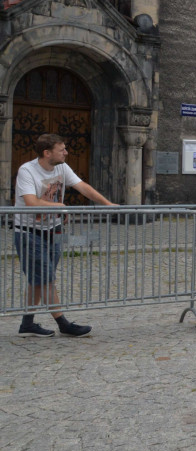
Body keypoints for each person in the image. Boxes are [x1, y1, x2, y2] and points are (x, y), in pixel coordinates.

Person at [14, 133, 116, 337]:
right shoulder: (27, 171)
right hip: (29, 233)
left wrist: (108, 204)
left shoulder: (61, 167)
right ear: (47, 152)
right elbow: (31, 202)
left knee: (39, 279)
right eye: (62, 150)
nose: (66, 153)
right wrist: (59, 206)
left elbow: (82, 187)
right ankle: (63, 324)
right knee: (45, 279)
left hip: (53, 232)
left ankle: (27, 324)